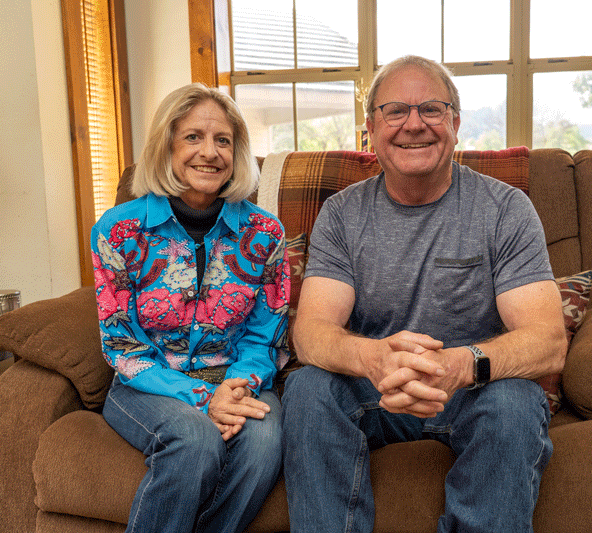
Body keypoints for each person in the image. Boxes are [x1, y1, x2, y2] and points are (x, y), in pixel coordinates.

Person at [281, 55, 567, 532]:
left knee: (517, 403)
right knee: (308, 390)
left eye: (431, 109)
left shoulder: (506, 209)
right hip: (375, 390)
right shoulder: (341, 214)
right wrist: (376, 360)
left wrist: (456, 366)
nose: (414, 125)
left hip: (474, 389)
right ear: (371, 127)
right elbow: (311, 333)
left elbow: (548, 341)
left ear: (455, 123)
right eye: (395, 111)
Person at [91, 83, 289, 533]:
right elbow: (122, 344)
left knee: (263, 441)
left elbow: (266, 336)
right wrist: (202, 399)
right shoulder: (118, 231)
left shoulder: (265, 234)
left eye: (223, 140)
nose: (211, 153)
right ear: (167, 146)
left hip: (237, 379)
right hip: (147, 384)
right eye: (193, 137)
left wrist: (235, 387)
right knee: (197, 439)